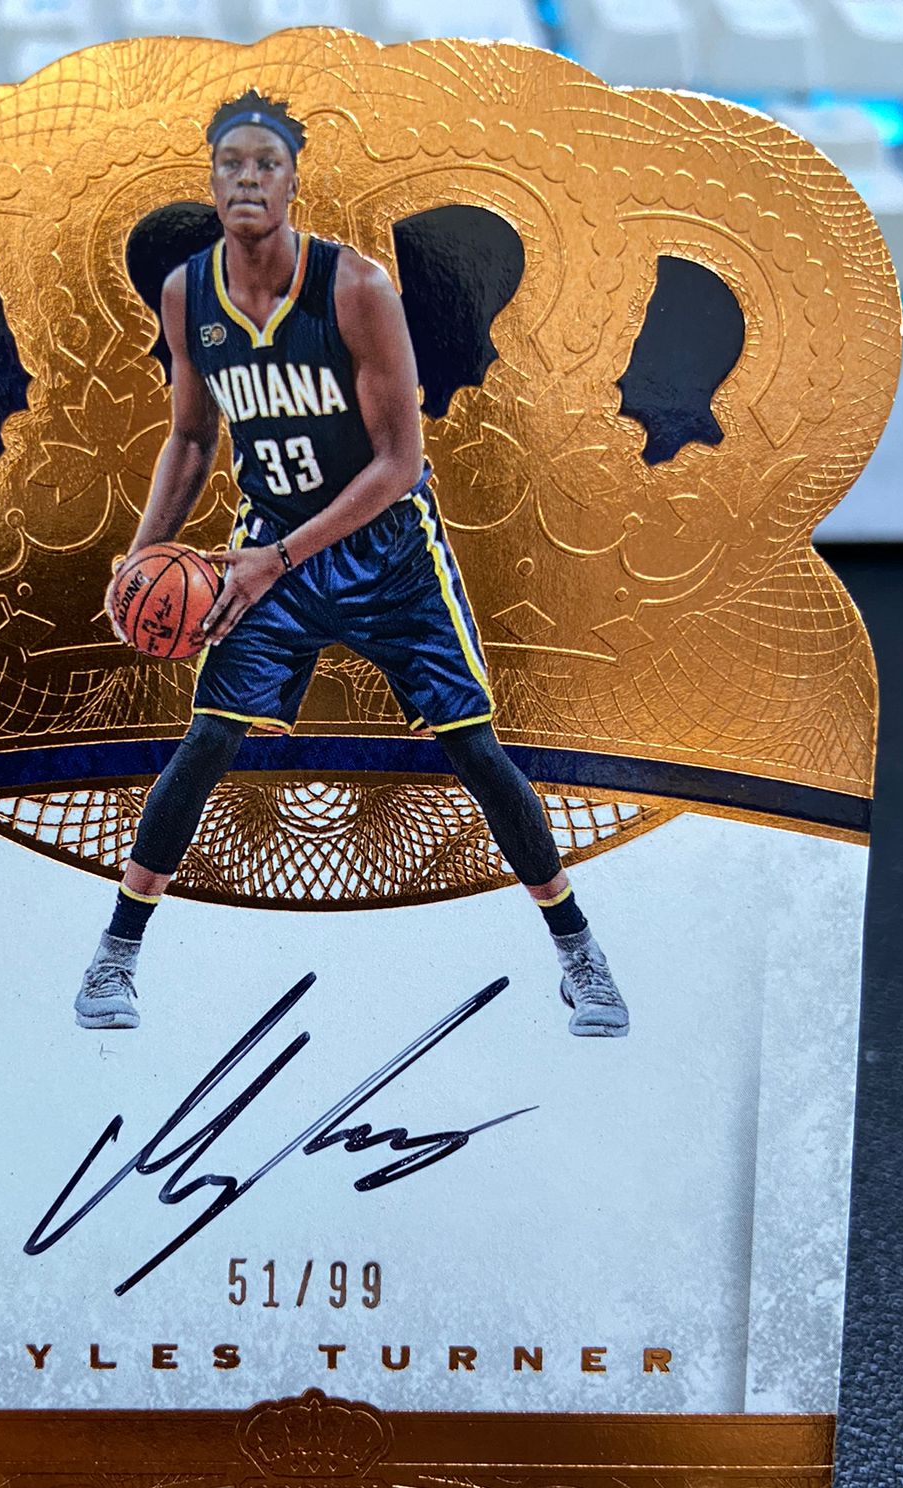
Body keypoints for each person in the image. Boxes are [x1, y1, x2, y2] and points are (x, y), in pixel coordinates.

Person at [76, 90, 629, 1039]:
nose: (248, 178)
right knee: (208, 742)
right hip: (268, 547)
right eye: (232, 163)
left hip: (388, 553)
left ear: (293, 181)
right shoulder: (186, 293)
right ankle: (115, 957)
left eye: (267, 164)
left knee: (473, 748)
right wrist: (139, 559)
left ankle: (580, 955)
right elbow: (192, 439)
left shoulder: (356, 287)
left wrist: (279, 557)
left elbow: (400, 464)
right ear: (211, 179)